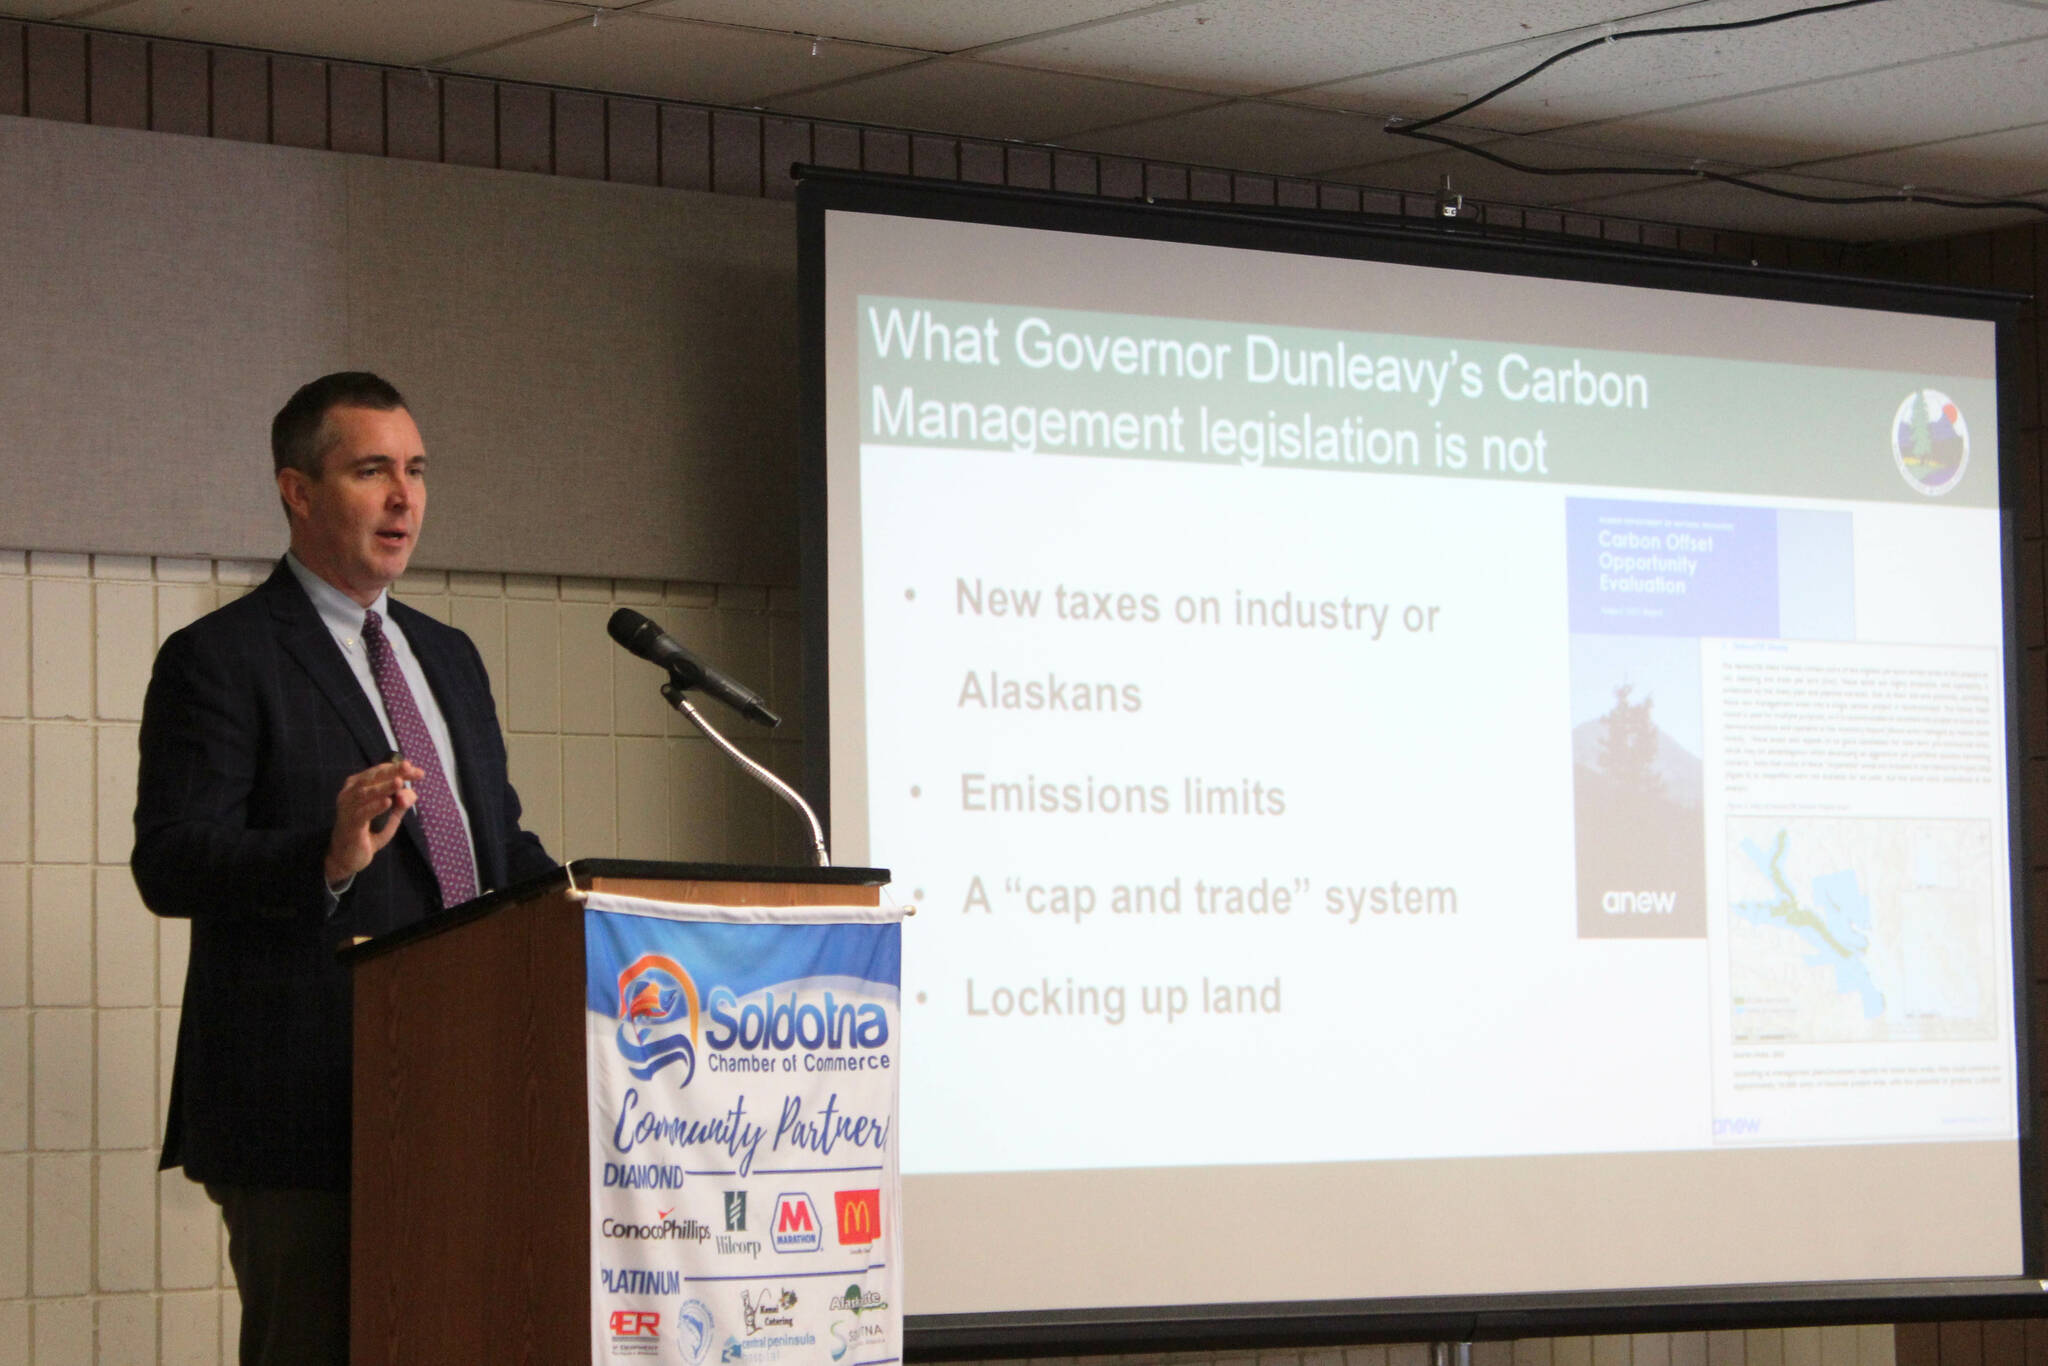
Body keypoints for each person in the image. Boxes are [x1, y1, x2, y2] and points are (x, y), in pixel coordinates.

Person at [132, 372, 554, 1366]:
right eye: (372, 471)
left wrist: (602, 905)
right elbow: (172, 860)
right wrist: (320, 854)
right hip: (301, 1113)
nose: (404, 497)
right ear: (298, 490)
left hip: (462, 1091)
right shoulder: (221, 657)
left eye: (414, 470)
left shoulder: (446, 657)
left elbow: (496, 847)